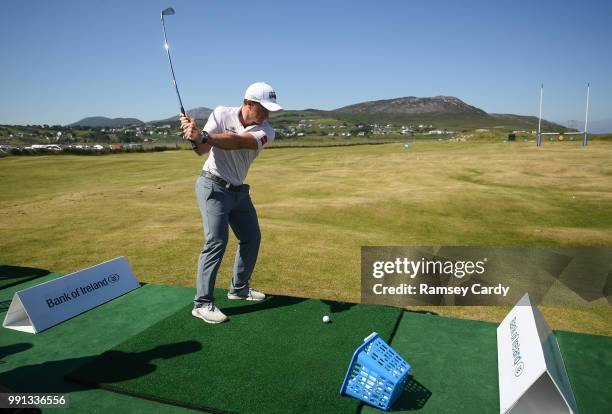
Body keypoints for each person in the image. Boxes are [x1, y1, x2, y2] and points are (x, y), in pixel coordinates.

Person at [179, 82, 282, 324]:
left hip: (238, 191)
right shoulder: (221, 113)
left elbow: (238, 141)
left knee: (251, 237)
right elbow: (202, 150)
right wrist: (194, 137)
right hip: (212, 185)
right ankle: (202, 303)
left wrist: (203, 135)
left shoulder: (266, 130)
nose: (267, 115)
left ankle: (239, 288)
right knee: (216, 241)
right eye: (264, 109)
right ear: (248, 103)